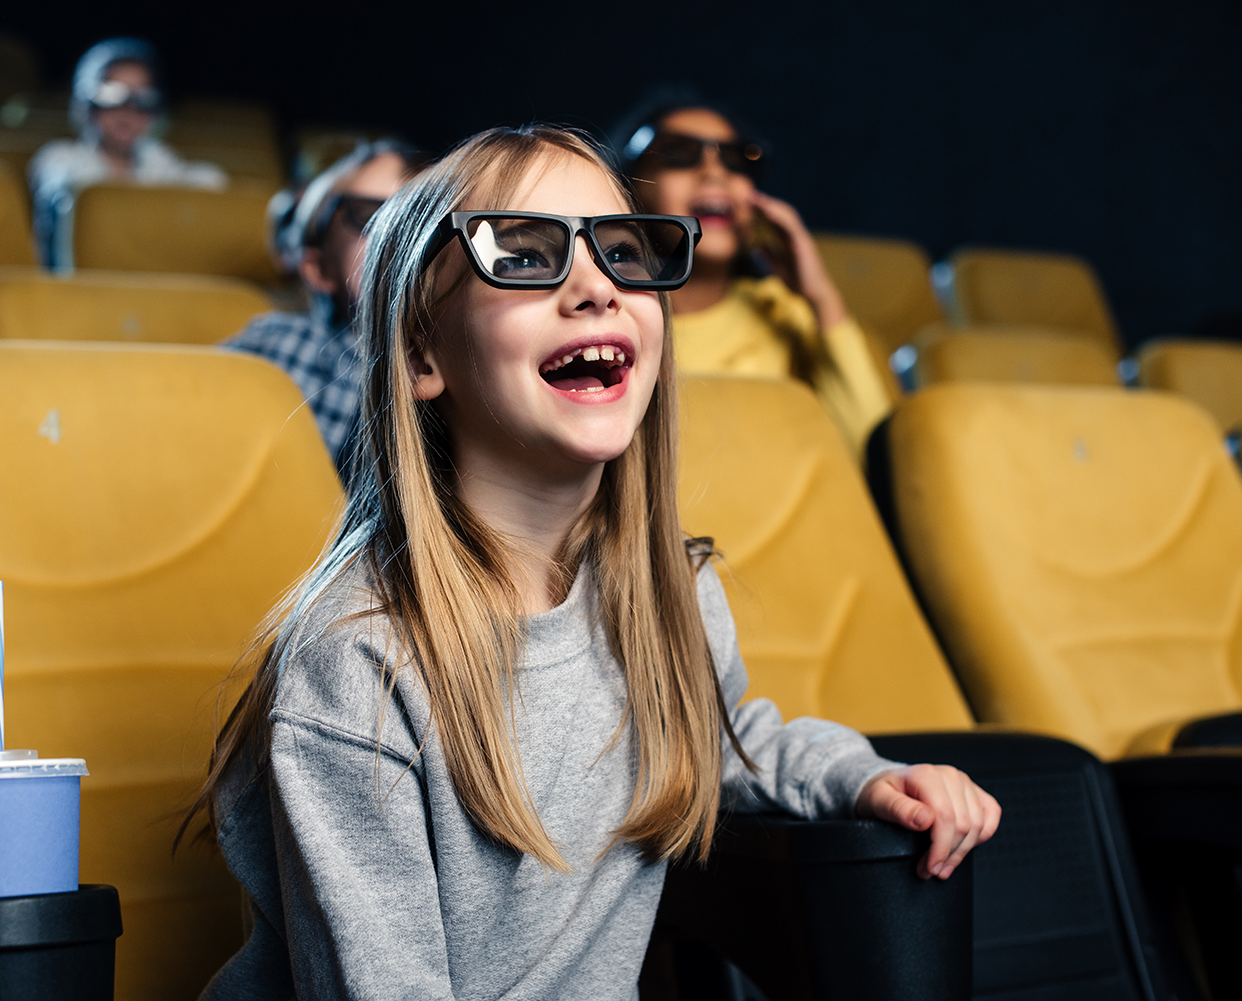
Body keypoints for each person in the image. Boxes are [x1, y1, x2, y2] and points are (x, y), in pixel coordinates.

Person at [186, 125, 999, 998]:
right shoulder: (356, 660)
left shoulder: (665, 594)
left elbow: (726, 743)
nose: (596, 287)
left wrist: (867, 778)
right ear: (422, 353)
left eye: (622, 251)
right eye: (524, 255)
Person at [614, 93, 893, 457]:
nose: (715, 173)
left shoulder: (784, 312)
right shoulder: (604, 315)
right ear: (627, 189)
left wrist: (821, 296)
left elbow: (875, 457)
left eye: (735, 159)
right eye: (678, 152)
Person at [222, 139, 418, 475]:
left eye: (420, 216)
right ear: (319, 269)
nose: (398, 234)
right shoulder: (287, 346)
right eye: (370, 216)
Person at [27, 38, 226, 264]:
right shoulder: (59, 157)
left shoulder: (157, 159)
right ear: (87, 103)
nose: (128, 110)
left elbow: (209, 182)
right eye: (112, 95)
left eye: (142, 99)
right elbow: (70, 190)